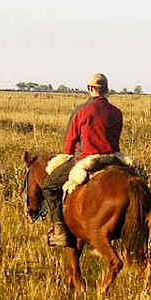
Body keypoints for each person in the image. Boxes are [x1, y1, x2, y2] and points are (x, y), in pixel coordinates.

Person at [41, 72, 123, 248]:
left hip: (88, 159)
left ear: (90, 88)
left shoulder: (82, 111)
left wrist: (68, 155)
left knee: (49, 185)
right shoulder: (117, 113)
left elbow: (69, 141)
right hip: (114, 159)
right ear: (106, 90)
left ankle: (59, 231)